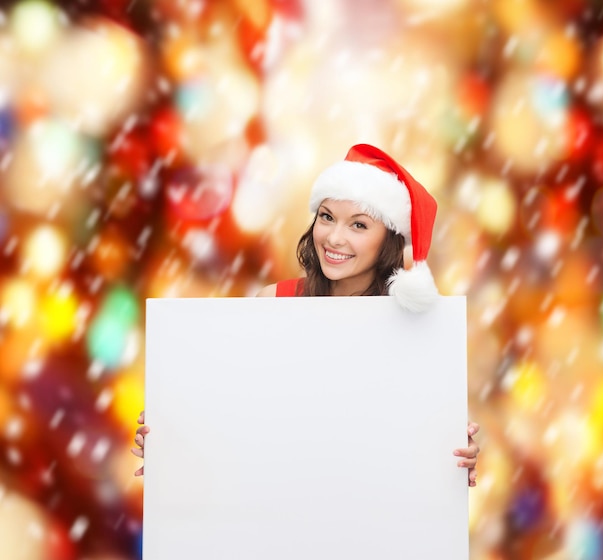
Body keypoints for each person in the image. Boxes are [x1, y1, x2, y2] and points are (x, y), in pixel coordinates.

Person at [132, 143, 480, 486]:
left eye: (358, 225)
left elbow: (412, 441)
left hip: (367, 518)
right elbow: (234, 414)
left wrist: (452, 454)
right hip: (281, 510)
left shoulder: (414, 328)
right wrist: (173, 445)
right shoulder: (276, 302)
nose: (334, 238)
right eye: (327, 217)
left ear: (388, 241)